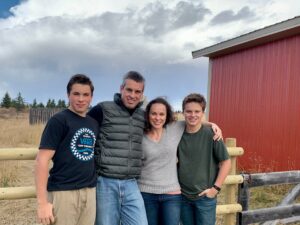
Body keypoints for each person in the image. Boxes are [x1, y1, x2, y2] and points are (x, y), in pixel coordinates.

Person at [138, 97, 222, 225]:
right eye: (153, 113)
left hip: (172, 194)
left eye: (162, 114)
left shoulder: (174, 128)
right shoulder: (140, 135)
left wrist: (212, 125)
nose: (157, 117)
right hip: (146, 193)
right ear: (148, 114)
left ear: (167, 116)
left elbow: (194, 120)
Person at [34, 74, 99, 225]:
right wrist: (42, 203)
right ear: (68, 95)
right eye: (76, 94)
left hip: (89, 192)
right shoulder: (59, 120)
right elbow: (42, 160)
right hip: (63, 193)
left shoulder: (93, 123)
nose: (81, 99)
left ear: (91, 97)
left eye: (85, 94)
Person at [87, 71, 148, 225]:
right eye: (129, 90)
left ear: (142, 94)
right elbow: (81, 126)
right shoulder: (102, 110)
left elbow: (170, 125)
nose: (132, 95)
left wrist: (209, 124)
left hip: (131, 183)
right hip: (105, 182)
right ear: (121, 88)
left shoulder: (143, 116)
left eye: (137, 91)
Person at [178, 93, 231, 225]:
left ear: (203, 113)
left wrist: (215, 189)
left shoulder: (211, 134)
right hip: (183, 197)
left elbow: (226, 162)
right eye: (188, 111)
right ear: (183, 112)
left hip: (205, 198)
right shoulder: (177, 132)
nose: (193, 115)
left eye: (197, 111)